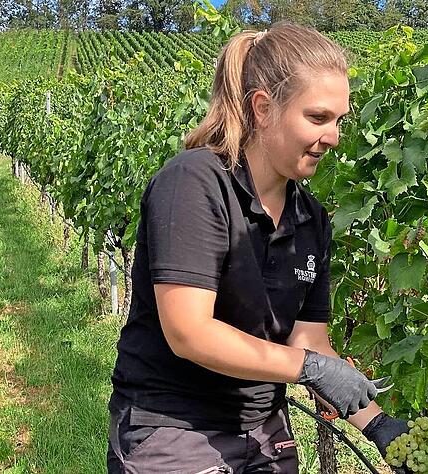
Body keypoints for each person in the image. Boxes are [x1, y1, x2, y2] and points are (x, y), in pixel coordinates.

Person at [108, 23, 411, 474]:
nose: (334, 137)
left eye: (339, 120)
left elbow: (309, 342)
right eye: (318, 118)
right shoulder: (195, 184)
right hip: (174, 425)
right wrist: (306, 368)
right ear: (264, 107)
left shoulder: (311, 219)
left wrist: (379, 426)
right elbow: (188, 332)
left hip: (265, 429)